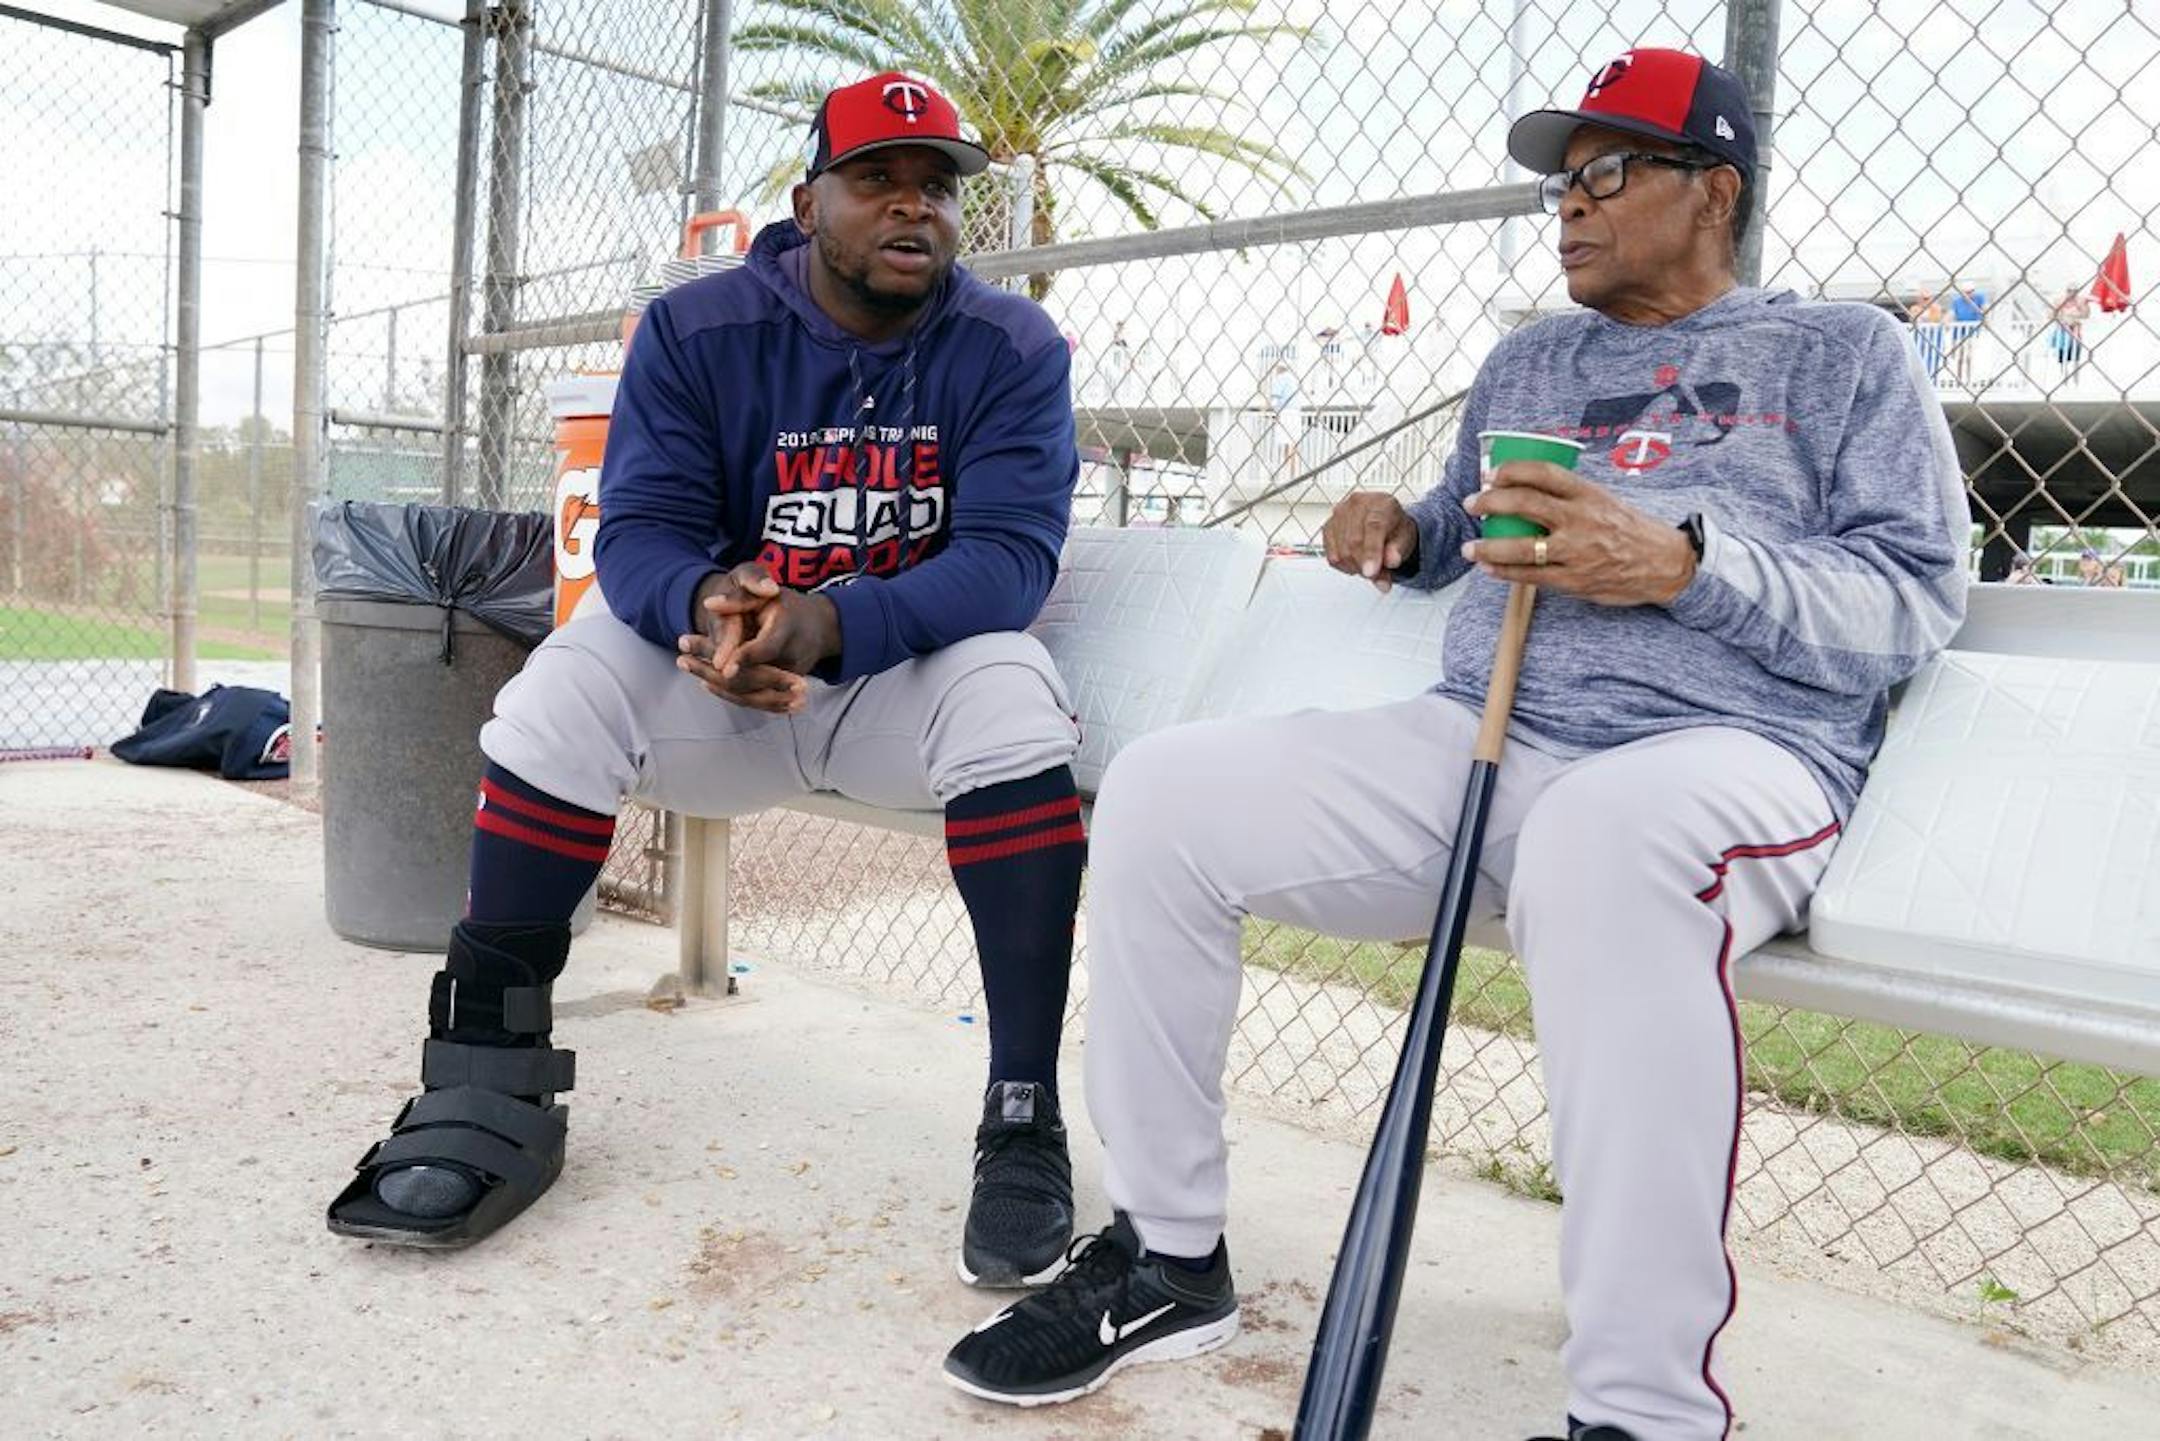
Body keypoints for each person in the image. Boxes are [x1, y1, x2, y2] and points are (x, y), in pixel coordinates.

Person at [942, 48, 1970, 1441]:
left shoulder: (1845, 353)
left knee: (1602, 847)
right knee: (1165, 794)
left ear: (1714, 190)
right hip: (1481, 740)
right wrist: (1406, 531)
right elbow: (1457, 520)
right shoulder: (1530, 357)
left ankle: (1643, 1412)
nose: (1570, 202)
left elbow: (1910, 605)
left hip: (1721, 759)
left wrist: (1682, 564)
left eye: (1608, 171)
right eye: (1561, 178)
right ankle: (1171, 1256)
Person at [327, 73, 1092, 1291]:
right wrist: (709, 615)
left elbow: (1008, 560)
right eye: (877, 179)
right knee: (561, 684)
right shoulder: (699, 328)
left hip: (894, 689)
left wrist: (830, 622)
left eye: (937, 186)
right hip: (723, 689)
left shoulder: (1010, 344)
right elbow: (635, 532)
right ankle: (483, 1081)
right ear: (808, 198)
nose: (914, 207)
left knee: (1009, 687)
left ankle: (1021, 1117)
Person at [1947, 280, 1988, 384]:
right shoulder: (1957, 301)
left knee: (1969, 356)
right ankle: (1959, 379)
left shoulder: (1979, 298)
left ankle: (1968, 379)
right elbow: (1951, 313)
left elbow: (1985, 309)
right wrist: (1946, 321)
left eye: (1971, 291)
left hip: (1972, 332)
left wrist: (1985, 318)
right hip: (1959, 333)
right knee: (1960, 357)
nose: (1969, 294)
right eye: (1967, 292)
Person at [2050, 285, 2090, 373]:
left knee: (2075, 357)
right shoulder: (2059, 301)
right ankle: (2063, 375)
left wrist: (2084, 305)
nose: (2072, 293)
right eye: (2070, 291)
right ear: (2067, 291)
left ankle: (2074, 376)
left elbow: (2085, 315)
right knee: (2062, 358)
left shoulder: (2080, 302)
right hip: (2062, 332)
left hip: (2075, 332)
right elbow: (2051, 315)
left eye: (2075, 291)